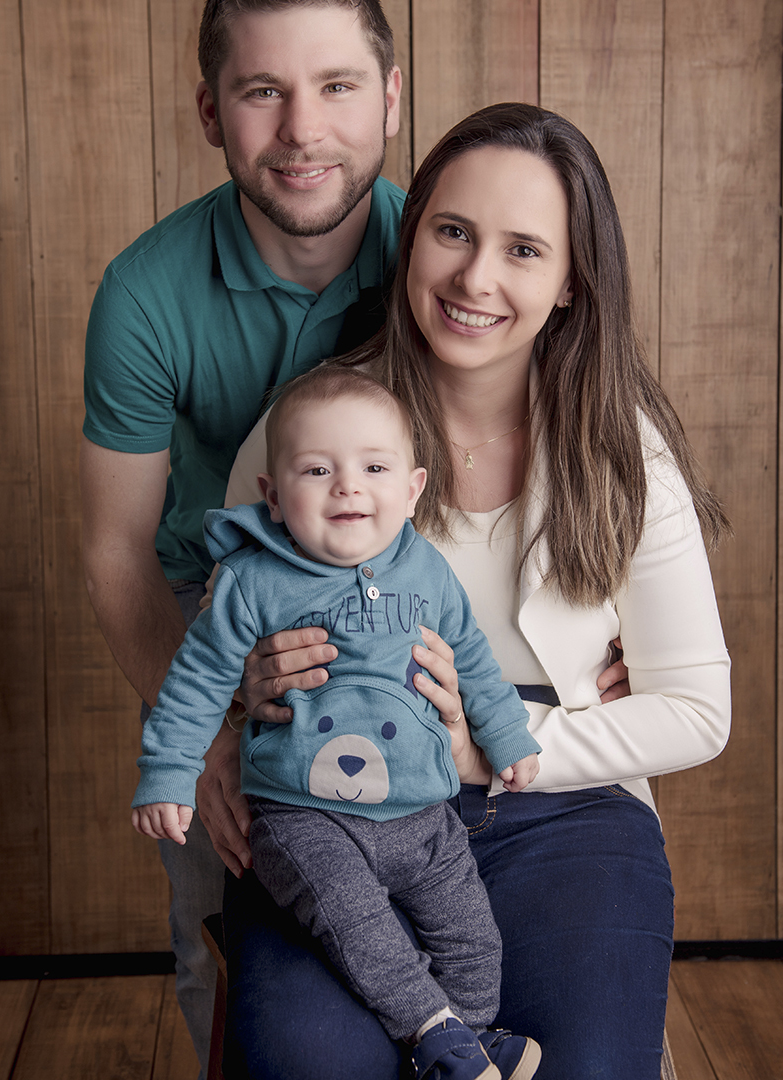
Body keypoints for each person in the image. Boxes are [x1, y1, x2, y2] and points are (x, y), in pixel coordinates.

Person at [220, 103, 732, 1080]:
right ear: (411, 238)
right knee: (313, 1063)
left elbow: (696, 711)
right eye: (451, 232)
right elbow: (227, 636)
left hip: (564, 818)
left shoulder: (623, 456)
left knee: (581, 1065)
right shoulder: (312, 426)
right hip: (339, 815)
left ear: (572, 279)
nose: (474, 278)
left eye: (523, 249)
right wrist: (246, 688)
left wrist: (506, 742)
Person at [79, 0, 404, 1075]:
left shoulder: (445, 258)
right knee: (219, 942)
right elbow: (118, 555)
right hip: (209, 621)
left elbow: (559, 454)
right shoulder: (145, 292)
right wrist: (211, 734)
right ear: (211, 110)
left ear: (390, 99)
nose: (304, 131)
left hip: (401, 607)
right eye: (261, 91)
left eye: (336, 86)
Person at [132, 366, 544, 1080]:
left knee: (474, 939)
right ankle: (431, 1031)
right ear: (273, 495)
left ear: (413, 490)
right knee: (363, 931)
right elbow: (195, 679)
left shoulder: (426, 571)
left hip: (423, 813)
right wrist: (169, 772)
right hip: (305, 818)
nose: (348, 486)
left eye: (374, 467)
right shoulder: (251, 582)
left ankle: (468, 1039)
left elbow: (472, 657)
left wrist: (507, 735)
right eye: (317, 470)